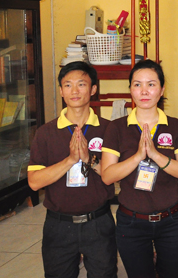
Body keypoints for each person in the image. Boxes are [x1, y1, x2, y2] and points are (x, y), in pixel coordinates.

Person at [101, 60, 178, 278]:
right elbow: (107, 176)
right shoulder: (116, 127)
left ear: (161, 90)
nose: (144, 91)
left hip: (171, 220)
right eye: (137, 84)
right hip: (131, 221)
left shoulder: (176, 126)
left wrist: (156, 155)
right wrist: (138, 157)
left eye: (151, 84)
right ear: (130, 90)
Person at [28, 62, 117, 278]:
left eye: (81, 84)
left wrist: (89, 160)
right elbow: (34, 182)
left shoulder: (109, 129)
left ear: (93, 89)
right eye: (68, 85)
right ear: (61, 91)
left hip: (98, 221)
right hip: (58, 224)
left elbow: (117, 176)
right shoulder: (46, 133)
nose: (74, 91)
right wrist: (70, 160)